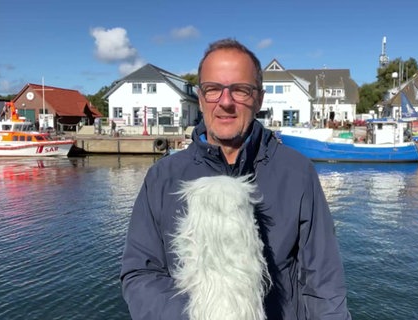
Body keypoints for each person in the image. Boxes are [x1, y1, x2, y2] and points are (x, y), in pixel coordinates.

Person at [120, 38, 352, 320]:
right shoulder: (162, 178)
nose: (226, 102)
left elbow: (323, 281)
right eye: (213, 89)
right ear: (201, 96)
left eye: (240, 90)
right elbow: (141, 273)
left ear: (259, 99)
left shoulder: (297, 173)